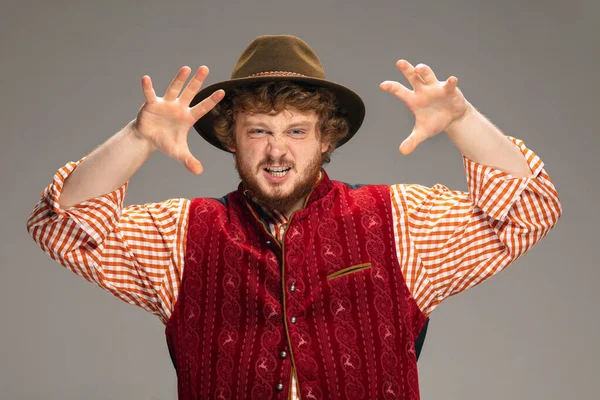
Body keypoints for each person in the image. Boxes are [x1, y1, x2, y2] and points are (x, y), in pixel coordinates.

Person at [26, 34, 562, 400]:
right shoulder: (180, 235)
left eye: (296, 131)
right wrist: (138, 138)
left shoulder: (400, 221)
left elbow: (529, 207)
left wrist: (463, 121)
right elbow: (62, 226)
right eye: (258, 130)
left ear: (326, 138)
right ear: (231, 141)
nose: (277, 151)